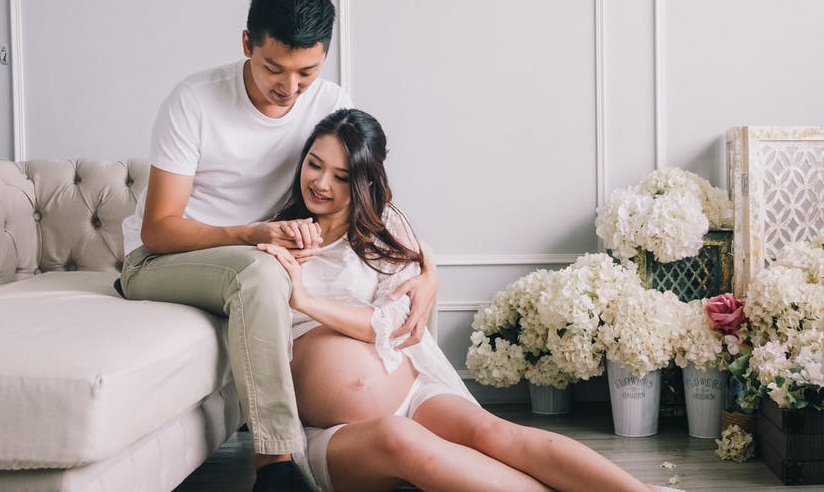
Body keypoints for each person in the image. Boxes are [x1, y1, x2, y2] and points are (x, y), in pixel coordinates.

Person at [118, 0, 439, 492]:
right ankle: (274, 465)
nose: (289, 88)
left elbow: (365, 196)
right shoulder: (194, 101)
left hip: (252, 260)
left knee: (269, 271)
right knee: (263, 271)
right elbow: (158, 229)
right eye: (274, 68)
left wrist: (429, 269)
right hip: (159, 263)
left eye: (306, 72)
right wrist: (251, 234)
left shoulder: (330, 101)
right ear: (247, 44)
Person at [257, 108, 669, 492]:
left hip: (413, 395)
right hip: (327, 434)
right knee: (401, 439)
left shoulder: (387, 229)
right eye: (314, 164)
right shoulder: (275, 237)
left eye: (342, 176)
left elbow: (392, 321)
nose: (321, 183)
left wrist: (306, 300)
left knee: (497, 433)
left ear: (365, 181)